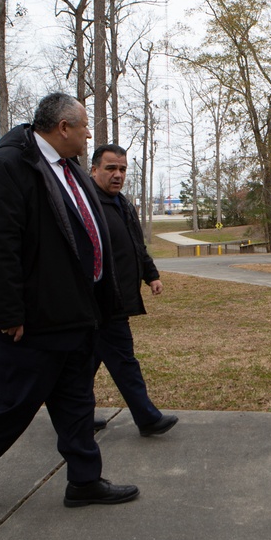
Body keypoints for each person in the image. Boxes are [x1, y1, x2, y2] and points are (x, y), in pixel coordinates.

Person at [0, 93, 139, 515]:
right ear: (63, 128)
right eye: (84, 125)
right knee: (15, 404)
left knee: (75, 402)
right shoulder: (9, 167)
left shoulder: (68, 169)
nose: (90, 132)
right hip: (28, 320)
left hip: (73, 313)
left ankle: (84, 482)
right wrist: (7, 312)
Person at [89, 145, 178, 437]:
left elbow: (136, 245)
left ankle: (75, 416)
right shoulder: (87, 205)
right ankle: (147, 417)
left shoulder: (122, 204)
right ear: (94, 170)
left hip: (117, 299)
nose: (118, 175)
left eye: (122, 169)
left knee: (84, 363)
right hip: (99, 303)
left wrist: (151, 275)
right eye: (111, 168)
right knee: (124, 360)